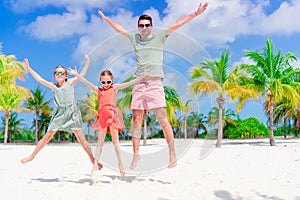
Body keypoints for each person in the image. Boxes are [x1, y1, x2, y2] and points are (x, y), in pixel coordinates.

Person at [98, 2, 208, 169]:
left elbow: (177, 23)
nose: (144, 28)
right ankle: (136, 155)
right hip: (139, 84)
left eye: (147, 25)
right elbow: (119, 29)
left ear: (151, 26)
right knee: (136, 120)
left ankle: (172, 154)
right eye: (141, 26)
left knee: (163, 119)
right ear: (138, 27)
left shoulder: (160, 36)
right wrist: (106, 19)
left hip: (155, 83)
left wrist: (195, 13)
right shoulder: (134, 38)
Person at [21, 55, 102, 171]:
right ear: (54, 76)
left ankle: (92, 160)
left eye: (62, 73)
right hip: (59, 114)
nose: (59, 75)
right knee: (48, 135)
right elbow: (39, 79)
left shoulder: (70, 82)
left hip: (72, 112)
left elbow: (81, 75)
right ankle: (32, 156)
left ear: (66, 75)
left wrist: (88, 61)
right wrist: (29, 69)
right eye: (57, 73)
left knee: (80, 138)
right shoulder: (53, 86)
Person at [68, 68, 147, 176]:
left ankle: (121, 166)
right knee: (100, 143)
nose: (106, 84)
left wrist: (141, 77)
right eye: (103, 82)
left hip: (113, 116)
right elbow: (87, 83)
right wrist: (77, 75)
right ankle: (95, 165)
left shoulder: (115, 88)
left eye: (108, 82)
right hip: (102, 117)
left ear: (112, 80)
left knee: (115, 143)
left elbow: (129, 83)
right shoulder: (99, 90)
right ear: (100, 81)